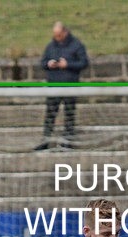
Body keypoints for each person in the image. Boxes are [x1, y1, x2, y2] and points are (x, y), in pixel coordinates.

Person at [35, 21, 89, 150]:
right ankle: (45, 140)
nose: (56, 37)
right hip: (53, 86)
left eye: (58, 35)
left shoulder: (77, 45)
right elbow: (42, 62)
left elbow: (84, 63)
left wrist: (68, 65)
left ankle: (68, 141)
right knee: (50, 114)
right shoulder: (50, 46)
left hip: (70, 86)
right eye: (55, 35)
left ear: (65, 32)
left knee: (69, 114)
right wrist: (48, 64)